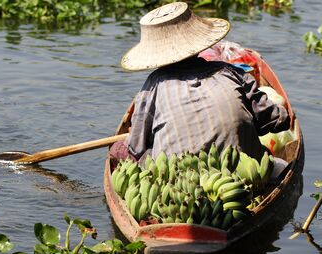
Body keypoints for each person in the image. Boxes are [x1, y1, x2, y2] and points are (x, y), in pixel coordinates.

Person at [110, 2, 291, 164]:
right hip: (242, 173)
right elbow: (278, 121)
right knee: (274, 162)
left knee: (120, 150)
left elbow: (136, 148)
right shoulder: (231, 72)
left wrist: (120, 148)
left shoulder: (152, 87)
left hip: (179, 184)